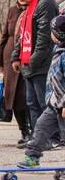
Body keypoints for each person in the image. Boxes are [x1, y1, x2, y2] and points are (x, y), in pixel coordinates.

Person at [10, 0, 60, 149]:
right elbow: (23, 34)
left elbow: (44, 39)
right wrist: (16, 56)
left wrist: (32, 62)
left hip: (41, 64)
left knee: (45, 103)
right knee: (32, 103)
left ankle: (52, 138)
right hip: (29, 64)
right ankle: (37, 137)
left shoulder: (45, 3)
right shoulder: (32, 4)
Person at [17, 15, 65, 169]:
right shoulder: (58, 50)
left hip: (63, 105)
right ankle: (32, 157)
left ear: (57, 34)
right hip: (53, 104)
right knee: (40, 128)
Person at [0, 1, 31, 145]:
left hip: (26, 56)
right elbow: (4, 35)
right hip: (10, 58)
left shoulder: (33, 8)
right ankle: (23, 131)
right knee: (14, 96)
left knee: (26, 96)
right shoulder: (12, 10)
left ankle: (33, 130)